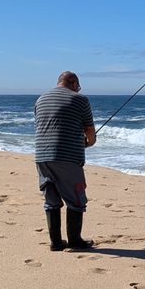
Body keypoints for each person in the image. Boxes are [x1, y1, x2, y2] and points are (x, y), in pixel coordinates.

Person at [34, 71, 97, 251]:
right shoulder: (80, 100)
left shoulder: (41, 99)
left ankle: (55, 242)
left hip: (41, 156)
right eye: (78, 86)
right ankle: (75, 240)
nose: (79, 89)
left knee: (51, 199)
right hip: (67, 158)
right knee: (76, 198)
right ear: (74, 83)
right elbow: (90, 132)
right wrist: (88, 143)